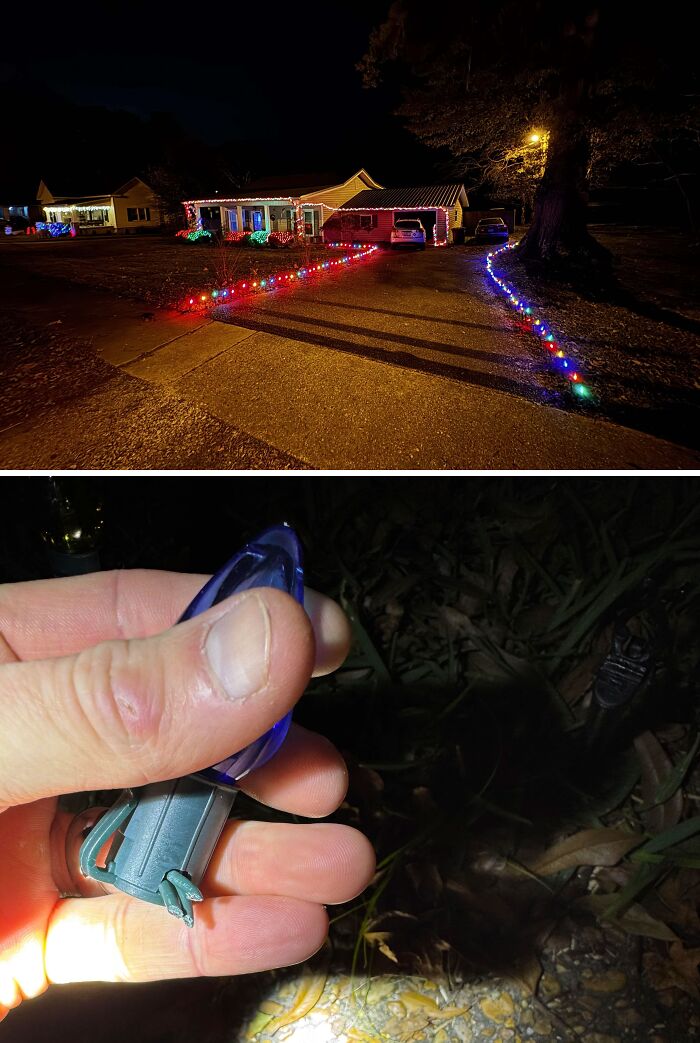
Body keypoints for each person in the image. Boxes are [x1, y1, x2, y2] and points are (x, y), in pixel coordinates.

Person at [0, 569, 375, 1020]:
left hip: (189, 802)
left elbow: (110, 837)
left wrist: (124, 811)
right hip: (181, 817)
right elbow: (110, 841)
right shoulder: (140, 854)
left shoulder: (149, 836)